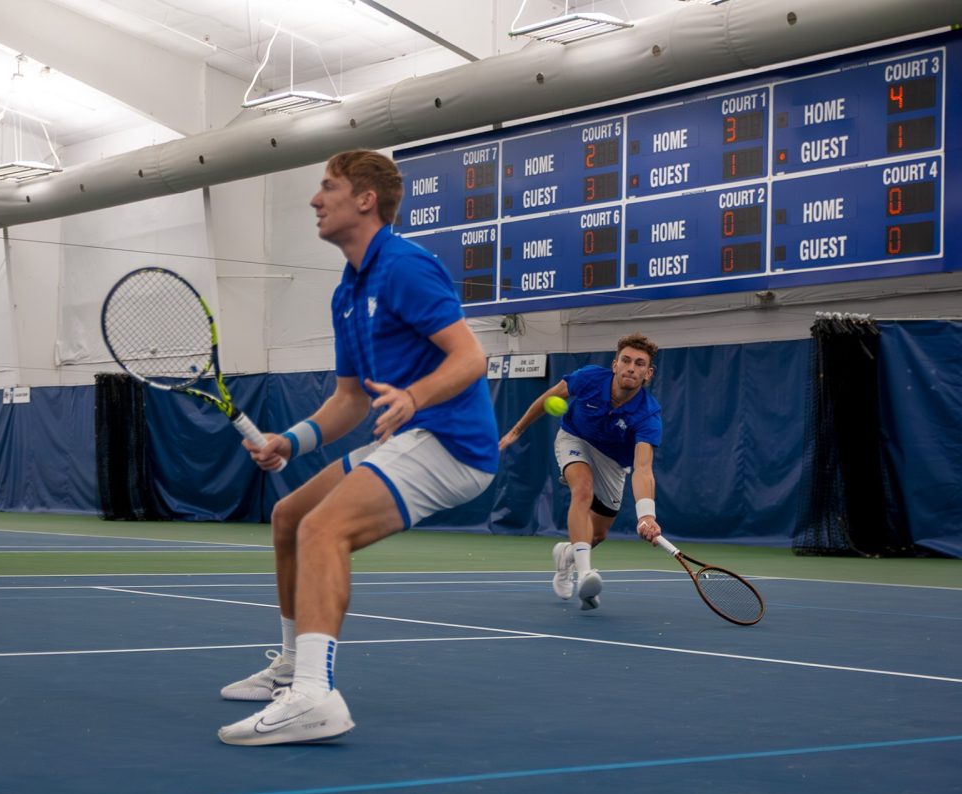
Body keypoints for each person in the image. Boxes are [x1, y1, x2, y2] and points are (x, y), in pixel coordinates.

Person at [217, 150, 500, 746]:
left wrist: (414, 397)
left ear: (365, 200)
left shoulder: (404, 266)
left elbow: (471, 357)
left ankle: (313, 699)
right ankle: (293, 667)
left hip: (453, 443)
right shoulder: (347, 292)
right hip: (411, 433)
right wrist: (288, 442)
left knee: (324, 529)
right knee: (290, 517)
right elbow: (348, 399)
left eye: (328, 188)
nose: (316, 201)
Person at [498, 334, 663, 610]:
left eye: (639, 363)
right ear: (615, 364)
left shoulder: (648, 414)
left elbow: (643, 468)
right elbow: (546, 398)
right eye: (625, 360)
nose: (631, 368)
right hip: (575, 438)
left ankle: (567, 557)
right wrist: (516, 431)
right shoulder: (588, 378)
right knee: (582, 488)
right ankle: (585, 573)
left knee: (597, 535)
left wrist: (647, 515)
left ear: (648, 373)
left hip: (613, 462)